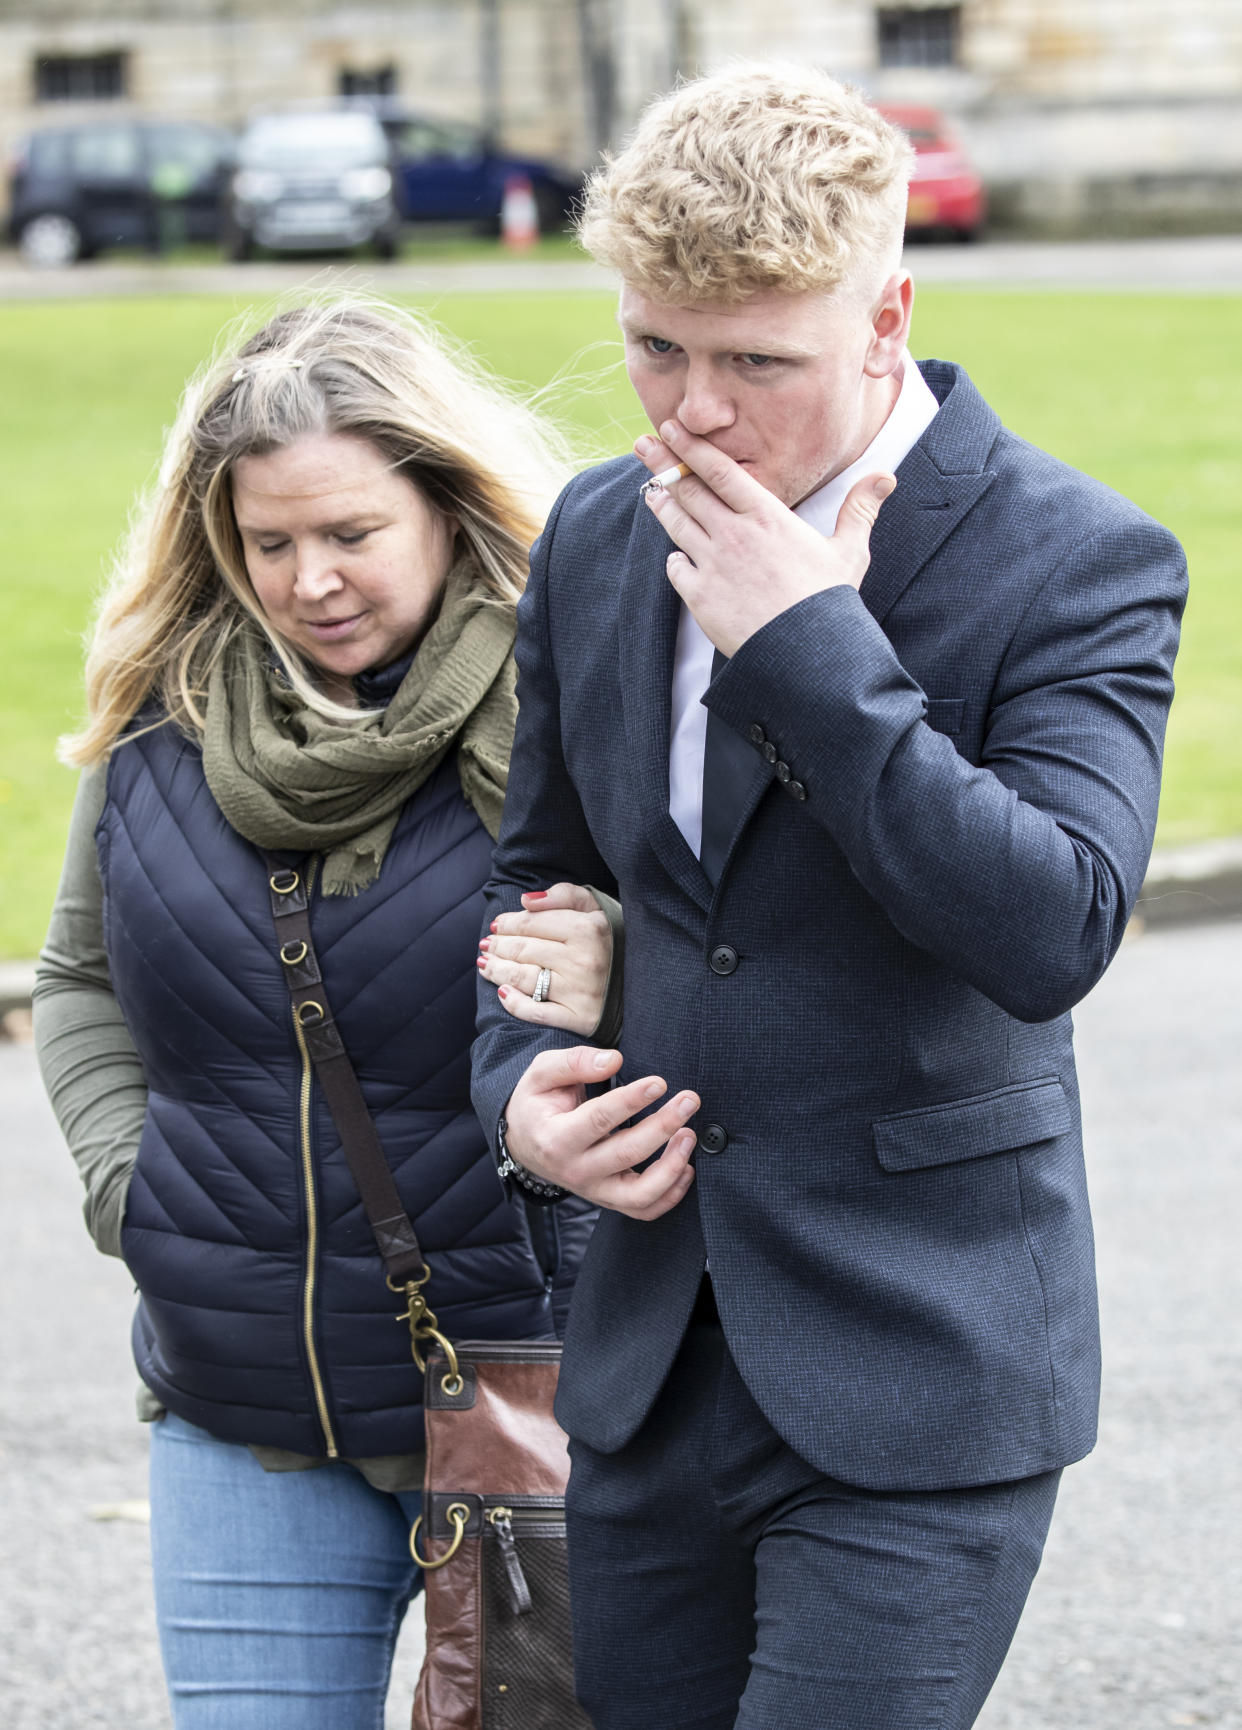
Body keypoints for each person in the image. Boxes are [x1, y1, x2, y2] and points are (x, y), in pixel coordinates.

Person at [470, 65, 1187, 1730]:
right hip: (650, 1363)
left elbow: (1051, 928)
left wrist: (809, 652)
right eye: (656, 347)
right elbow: (538, 882)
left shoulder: (1077, 556)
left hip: (920, 1365)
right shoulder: (593, 532)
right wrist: (521, 1100)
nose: (693, 411)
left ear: (887, 316)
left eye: (755, 361)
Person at [32, 297, 618, 1730]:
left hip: (542, 1394)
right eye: (269, 542)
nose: (309, 581)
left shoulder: (583, 707)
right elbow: (81, 980)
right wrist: (136, 1189)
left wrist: (628, 957)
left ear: (443, 503)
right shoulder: (163, 723)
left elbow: (732, 987)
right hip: (244, 1409)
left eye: (351, 534)